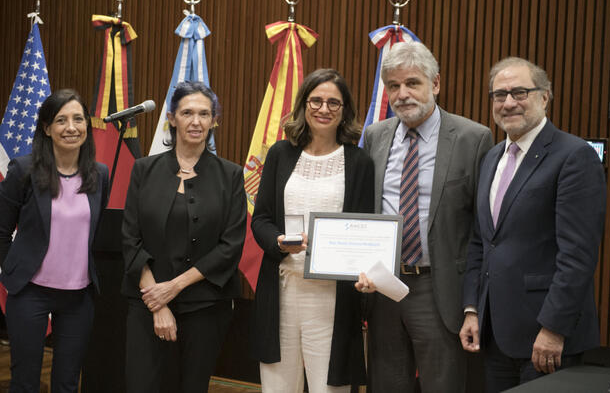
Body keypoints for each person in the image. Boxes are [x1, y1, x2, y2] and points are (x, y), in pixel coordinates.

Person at [459, 57, 607, 392]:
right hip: (494, 333)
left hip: (546, 338)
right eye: (499, 95)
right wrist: (472, 309)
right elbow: (482, 242)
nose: (508, 102)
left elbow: (578, 256)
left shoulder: (574, 155)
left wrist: (554, 329)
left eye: (519, 92)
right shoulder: (491, 157)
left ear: (544, 96)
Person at [357, 41, 493, 393]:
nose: (402, 94)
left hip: (440, 289)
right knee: (386, 383)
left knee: (442, 385)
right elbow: (366, 212)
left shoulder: (473, 138)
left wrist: (472, 304)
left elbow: (483, 228)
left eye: (412, 83)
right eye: (393, 86)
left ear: (435, 84)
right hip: (383, 286)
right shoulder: (375, 136)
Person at [250, 68, 374, 392]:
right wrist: (278, 242)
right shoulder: (280, 153)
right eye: (316, 100)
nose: (324, 109)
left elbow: (364, 229)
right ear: (304, 105)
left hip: (333, 297)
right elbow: (260, 219)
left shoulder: (359, 162)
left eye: (334, 102)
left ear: (345, 110)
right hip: (282, 290)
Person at [121, 81, 246, 393]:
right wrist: (158, 301)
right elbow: (130, 239)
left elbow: (230, 247)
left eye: (205, 114)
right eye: (187, 112)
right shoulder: (143, 170)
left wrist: (173, 289)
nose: (196, 121)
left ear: (214, 120)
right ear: (172, 118)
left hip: (205, 307)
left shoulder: (230, 175)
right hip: (146, 303)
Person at [0, 89, 109, 393]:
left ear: (88, 126)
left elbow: (96, 232)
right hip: (30, 292)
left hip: (79, 297)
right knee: (25, 381)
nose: (71, 127)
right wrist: (13, 269)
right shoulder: (24, 170)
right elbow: (1, 229)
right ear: (47, 128)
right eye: (61, 120)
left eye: (78, 119)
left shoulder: (100, 175)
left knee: (67, 382)